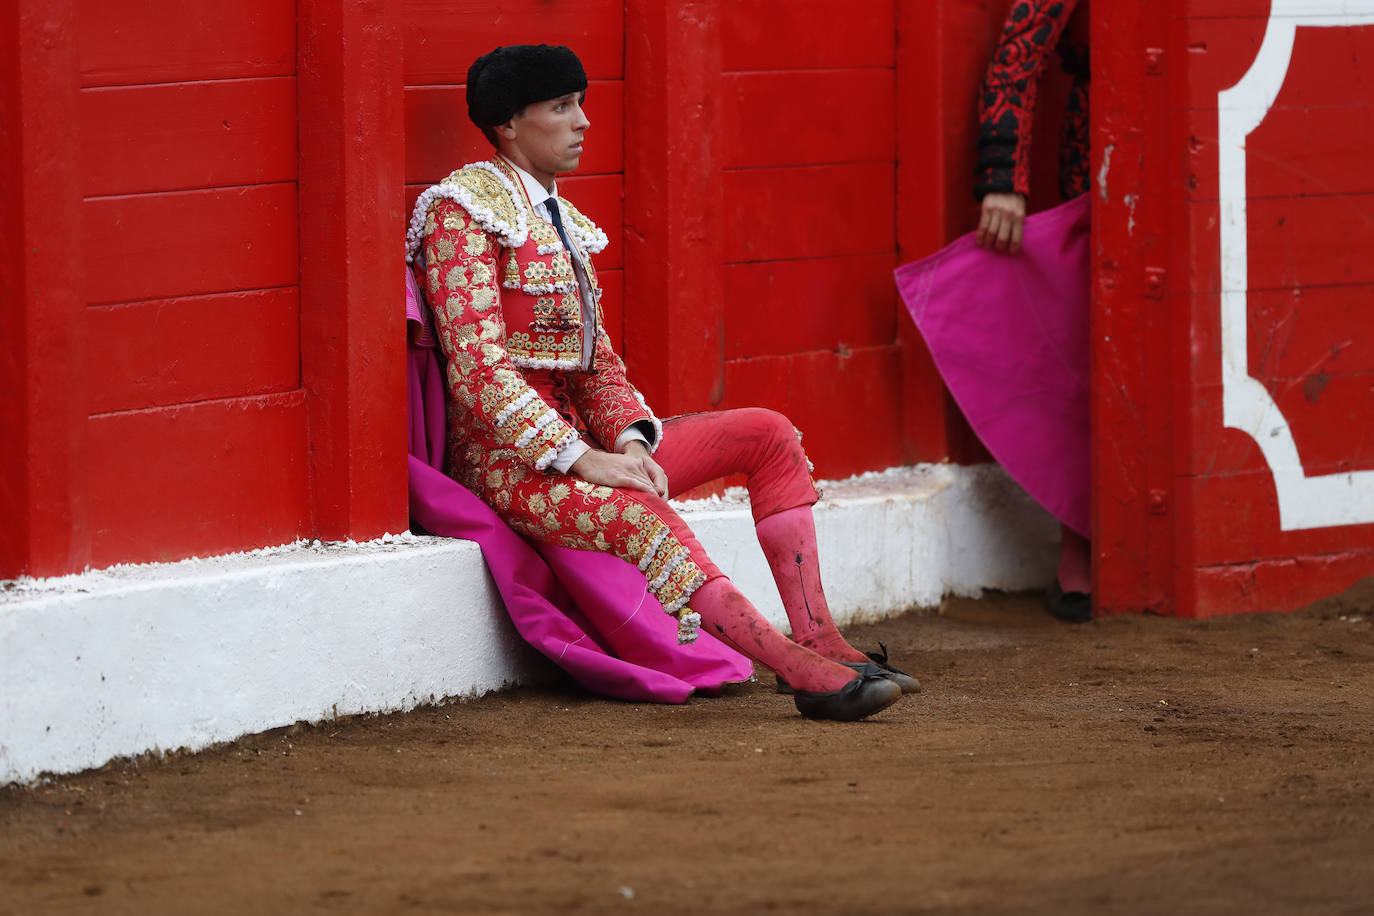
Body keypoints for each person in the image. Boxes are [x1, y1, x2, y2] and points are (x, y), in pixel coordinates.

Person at [405, 44, 917, 720]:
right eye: (562, 107)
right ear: (508, 124)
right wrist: (584, 458)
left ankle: (825, 640)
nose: (583, 121)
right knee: (641, 514)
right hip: (510, 468)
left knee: (768, 435)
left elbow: (597, 369)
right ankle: (800, 674)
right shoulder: (460, 214)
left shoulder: (564, 224)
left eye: (580, 103)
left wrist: (630, 442)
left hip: (589, 449)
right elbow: (479, 373)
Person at [974, 0, 1093, 622]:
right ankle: (1082, 536)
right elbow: (1018, 54)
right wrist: (1003, 175)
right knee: (1092, 340)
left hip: (1211, 148)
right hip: (1105, 143)